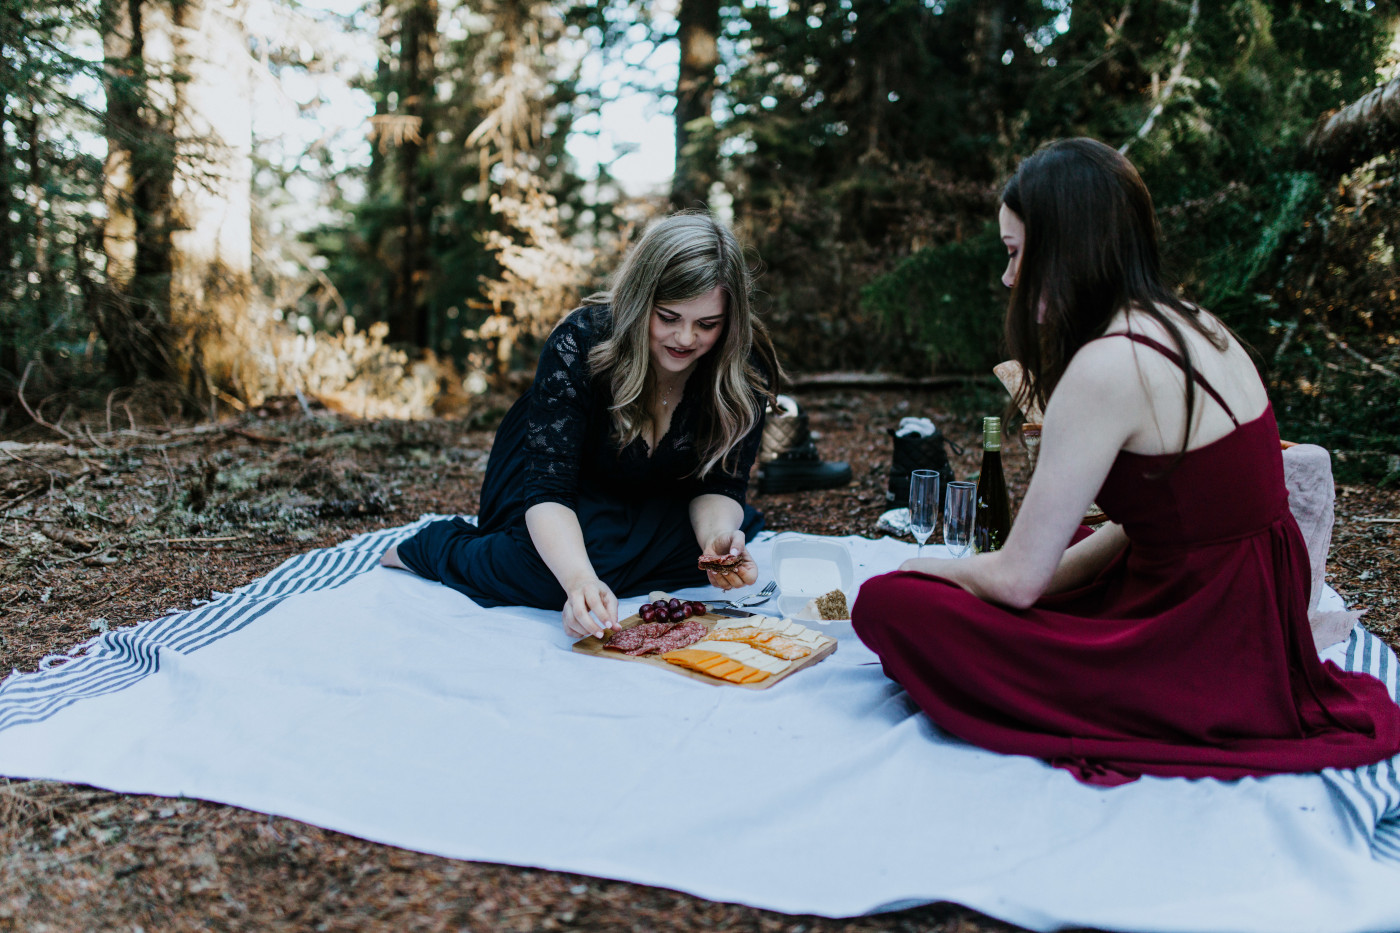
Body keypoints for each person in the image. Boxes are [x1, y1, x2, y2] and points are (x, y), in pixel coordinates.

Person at [851, 138, 1400, 785]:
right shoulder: (1195, 322)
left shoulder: (1106, 365)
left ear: (1065, 247)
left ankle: (1117, 687)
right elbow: (1144, 524)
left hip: (1206, 634)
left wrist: (937, 573)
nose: (1007, 278)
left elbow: (1020, 580)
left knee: (887, 602)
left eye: (1014, 253)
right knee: (1064, 545)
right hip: (1250, 602)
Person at [382, 212, 781, 639]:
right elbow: (549, 491)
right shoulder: (581, 341)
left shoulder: (744, 367)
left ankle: (628, 546)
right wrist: (578, 581)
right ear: (639, 299)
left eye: (707, 324)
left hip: (659, 486)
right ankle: (434, 545)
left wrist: (717, 536)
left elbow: (719, 487)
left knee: (698, 564)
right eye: (668, 317)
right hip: (562, 482)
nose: (685, 339)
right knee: (552, 576)